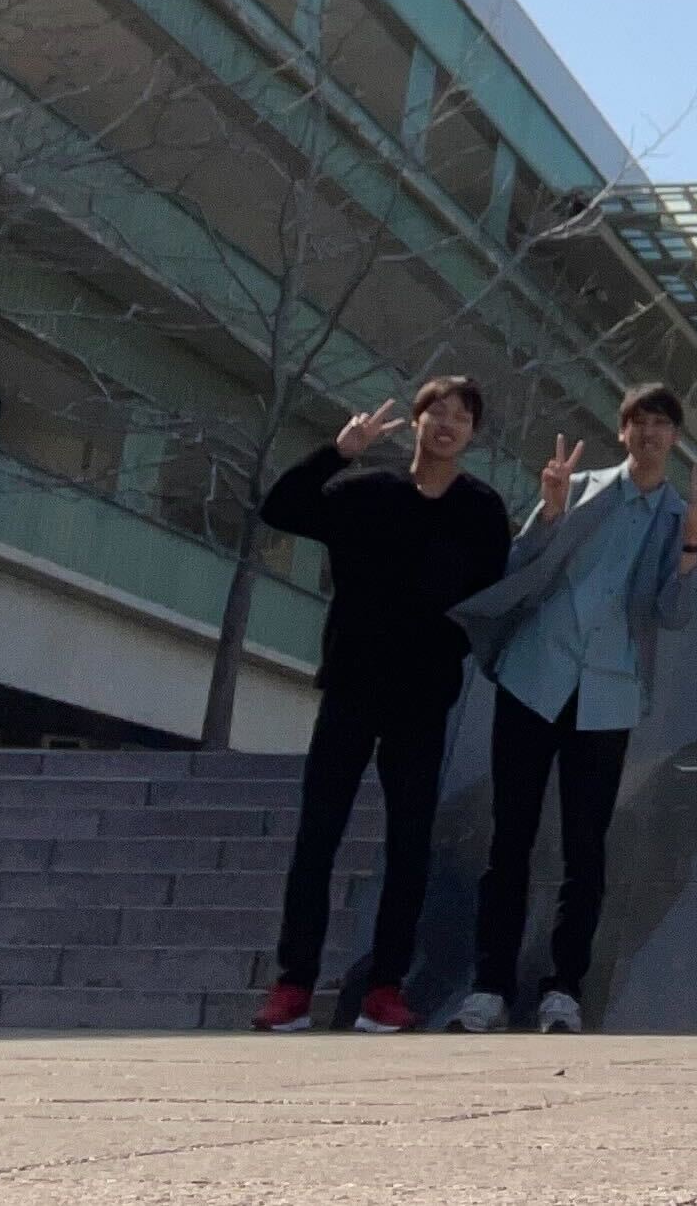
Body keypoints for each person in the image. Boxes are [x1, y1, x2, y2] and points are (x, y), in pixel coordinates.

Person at [448, 382, 697, 1035]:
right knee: (509, 838)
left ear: (675, 438)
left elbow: (675, 614)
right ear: (621, 431)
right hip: (535, 675)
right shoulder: (578, 487)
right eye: (639, 421)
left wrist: (692, 543)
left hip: (608, 694)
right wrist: (548, 511)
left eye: (662, 423)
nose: (649, 433)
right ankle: (488, 987)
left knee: (585, 847)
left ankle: (563, 989)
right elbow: (520, 562)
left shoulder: (677, 515)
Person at [250, 376, 512, 1034]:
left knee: (409, 843)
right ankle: (293, 985)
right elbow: (280, 509)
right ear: (416, 422)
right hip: (352, 684)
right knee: (318, 835)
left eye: (461, 416)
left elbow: (492, 600)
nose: (447, 423)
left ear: (473, 433)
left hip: (423, 697)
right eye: (436, 411)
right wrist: (338, 452)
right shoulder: (366, 491)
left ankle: (386, 988)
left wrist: (446, 646)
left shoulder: (481, 509)